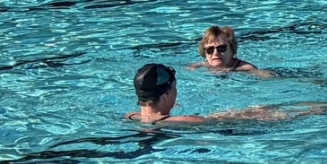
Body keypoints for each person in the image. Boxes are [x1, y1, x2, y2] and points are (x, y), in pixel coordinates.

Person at [127, 63, 303, 125]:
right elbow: (225, 120)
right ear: (165, 95)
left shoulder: (129, 117)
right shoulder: (185, 122)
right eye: (174, 87)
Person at [191, 25, 277, 77]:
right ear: (204, 52)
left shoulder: (245, 69)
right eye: (210, 49)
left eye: (221, 48)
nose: (215, 53)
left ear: (232, 49)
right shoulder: (201, 66)